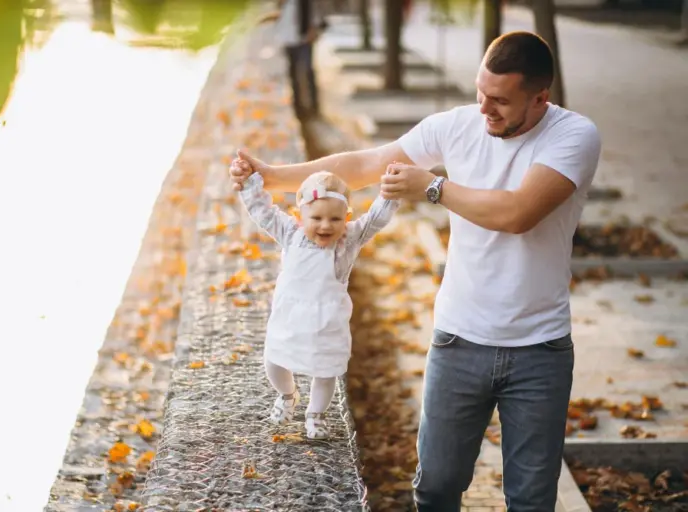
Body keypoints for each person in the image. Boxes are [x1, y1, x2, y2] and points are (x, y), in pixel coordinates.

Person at [230, 31, 601, 511]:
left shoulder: (574, 135)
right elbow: (365, 164)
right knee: (436, 488)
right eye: (480, 93)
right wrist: (273, 176)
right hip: (458, 339)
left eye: (501, 101)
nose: (485, 108)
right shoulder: (457, 126)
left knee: (530, 500)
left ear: (541, 98)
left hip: (540, 350)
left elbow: (517, 214)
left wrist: (433, 187)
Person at [236, 168, 398, 440]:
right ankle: (287, 395)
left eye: (335, 219)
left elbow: (375, 219)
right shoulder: (290, 233)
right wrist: (250, 183)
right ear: (299, 217)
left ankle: (316, 413)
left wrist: (390, 194)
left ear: (346, 219)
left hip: (327, 323)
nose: (326, 226)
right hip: (290, 317)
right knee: (274, 360)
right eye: (317, 218)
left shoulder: (348, 241)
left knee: (325, 372)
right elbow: (263, 212)